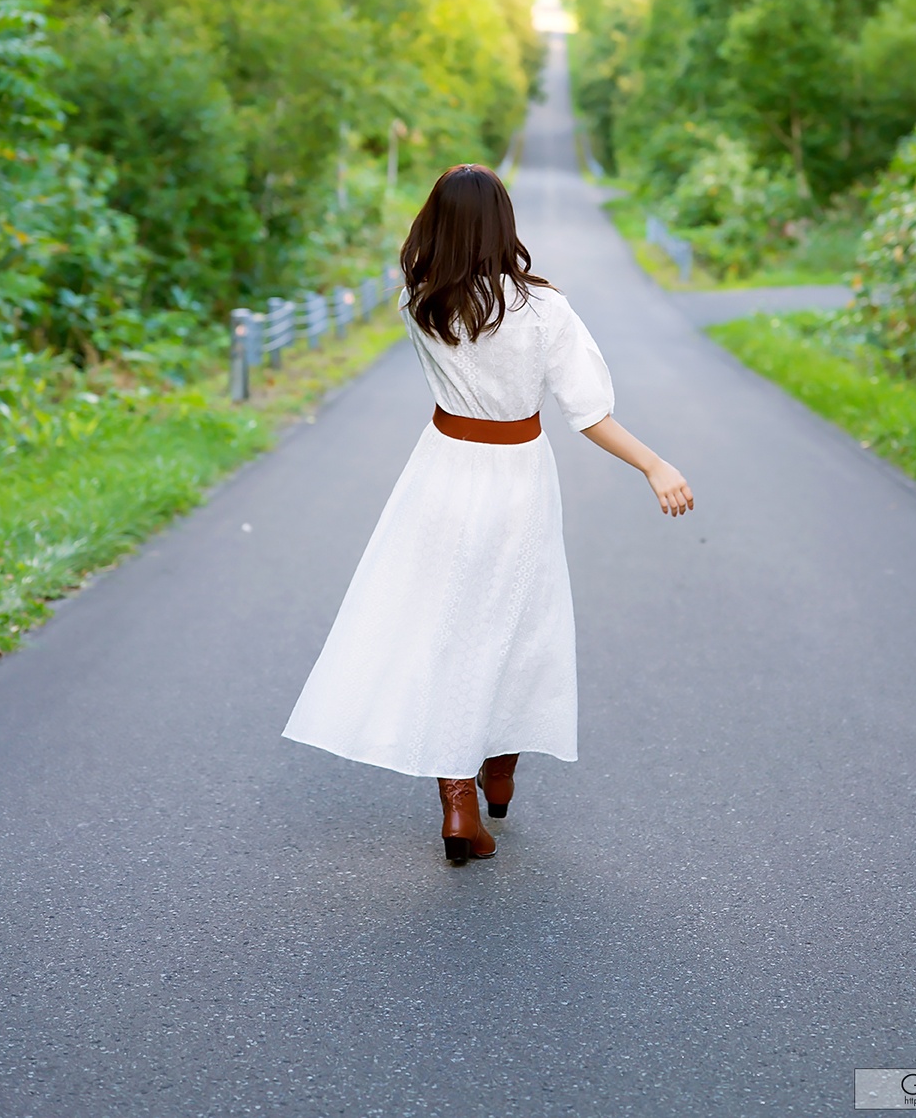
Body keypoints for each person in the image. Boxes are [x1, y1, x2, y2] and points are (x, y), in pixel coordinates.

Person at [283, 164, 693, 864]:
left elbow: (433, 271)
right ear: (506, 225)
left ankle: (460, 800)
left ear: (434, 226)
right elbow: (588, 412)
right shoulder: (543, 310)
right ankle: (494, 777)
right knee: (517, 623)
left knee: (449, 629)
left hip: (439, 474)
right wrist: (654, 463)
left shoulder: (420, 300)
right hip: (517, 480)